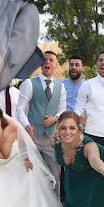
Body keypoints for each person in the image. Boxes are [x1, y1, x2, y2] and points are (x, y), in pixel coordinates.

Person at [16, 51, 67, 194]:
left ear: (56, 65)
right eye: (45, 60)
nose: (48, 62)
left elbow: (62, 108)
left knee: (55, 176)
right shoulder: (29, 83)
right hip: (33, 137)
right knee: (30, 174)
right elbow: (20, 108)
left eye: (51, 60)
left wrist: (56, 117)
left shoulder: (61, 87)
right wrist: (27, 126)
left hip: (51, 138)